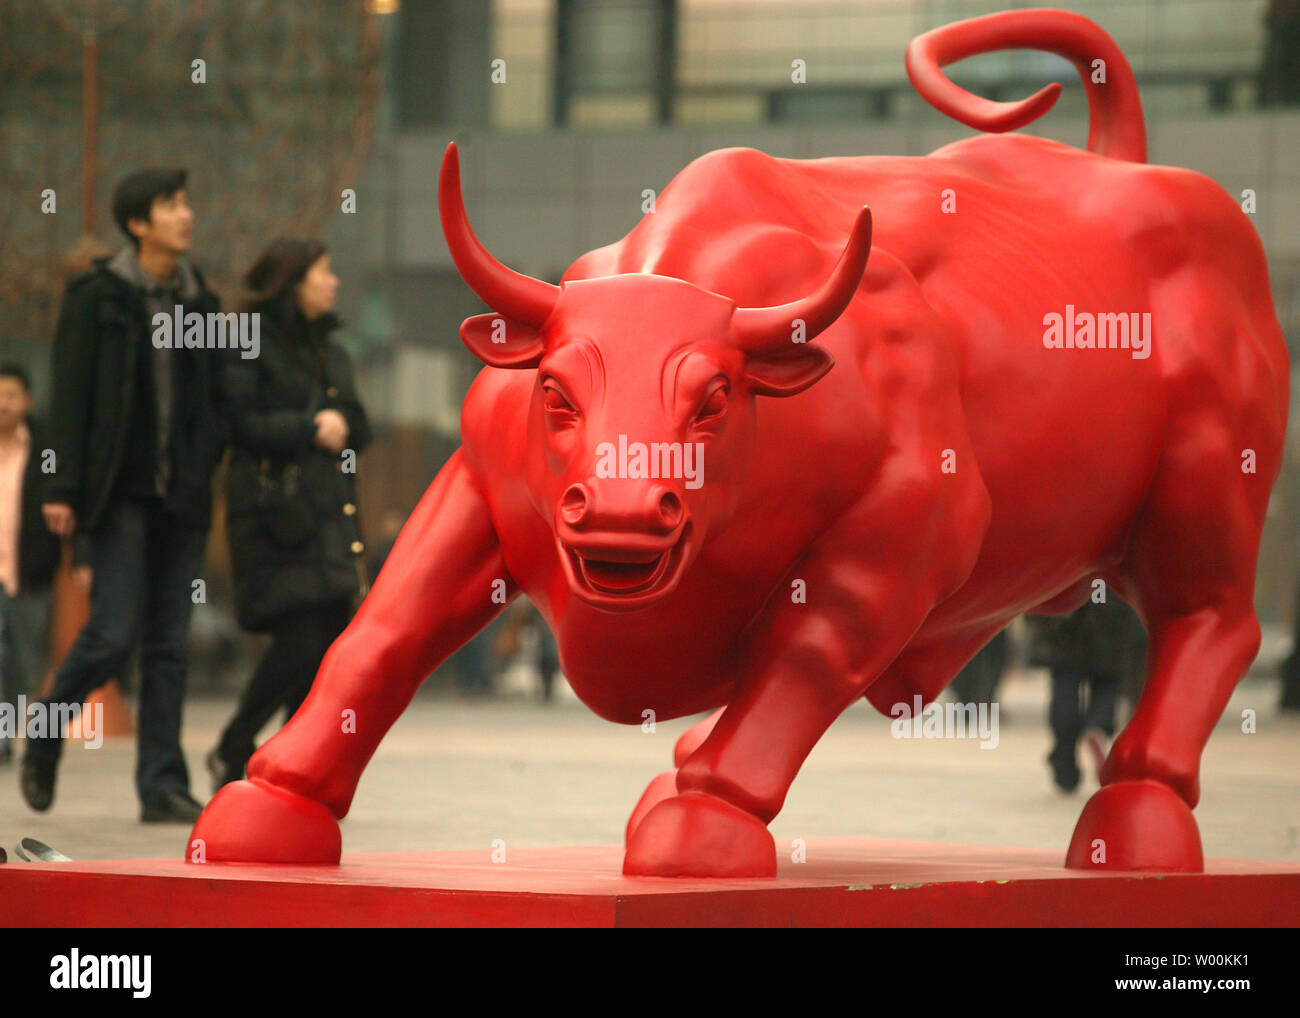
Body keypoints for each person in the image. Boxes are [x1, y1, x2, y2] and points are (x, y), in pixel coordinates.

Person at [22, 168, 226, 822]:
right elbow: (71, 394)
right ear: (138, 223)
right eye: (172, 205)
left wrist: (207, 460)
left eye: (186, 202)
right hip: (120, 492)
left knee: (169, 643)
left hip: (183, 495)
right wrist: (62, 486)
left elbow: (213, 401)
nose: (186, 214)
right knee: (112, 633)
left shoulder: (202, 304)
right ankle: (50, 725)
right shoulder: (98, 297)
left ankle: (162, 785)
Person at [207, 237, 372, 792]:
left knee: (324, 646)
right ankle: (236, 742)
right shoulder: (248, 339)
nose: (334, 282)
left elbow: (359, 425)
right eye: (324, 271)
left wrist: (341, 422)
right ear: (294, 279)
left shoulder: (332, 347)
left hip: (327, 516)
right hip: (272, 516)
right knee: (299, 637)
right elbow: (238, 423)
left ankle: (282, 767)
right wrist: (309, 427)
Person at [0, 364, 61, 764]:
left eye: (11, 395)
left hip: (30, 573)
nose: (3, 403)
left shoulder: (47, 449)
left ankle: (10, 728)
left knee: (23, 660)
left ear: (28, 400)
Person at [1027, 595, 1147, 793]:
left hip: (1068, 606)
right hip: (1109, 604)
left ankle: (1064, 764)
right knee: (1107, 680)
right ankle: (1099, 724)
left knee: (1065, 682)